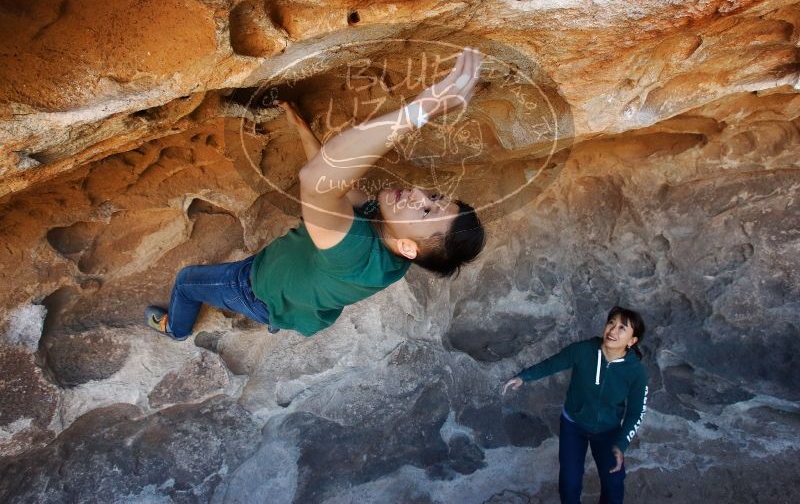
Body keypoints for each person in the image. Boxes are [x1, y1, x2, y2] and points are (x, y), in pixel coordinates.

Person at [146, 47, 486, 340]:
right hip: (301, 298)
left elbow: (316, 179)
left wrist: (420, 109)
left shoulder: (352, 250)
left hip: (252, 288)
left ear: (409, 247)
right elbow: (336, 185)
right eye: (435, 198)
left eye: (425, 213)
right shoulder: (394, 246)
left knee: (187, 281)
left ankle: (175, 329)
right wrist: (303, 130)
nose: (418, 195)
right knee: (293, 285)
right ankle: (282, 315)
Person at [502, 306, 648, 504]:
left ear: (632, 341)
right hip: (574, 425)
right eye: (611, 323)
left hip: (608, 431)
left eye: (622, 328)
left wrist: (621, 444)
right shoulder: (583, 350)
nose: (613, 330)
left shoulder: (636, 372)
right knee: (569, 484)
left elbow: (635, 412)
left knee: (614, 484)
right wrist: (524, 377)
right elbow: (552, 363)